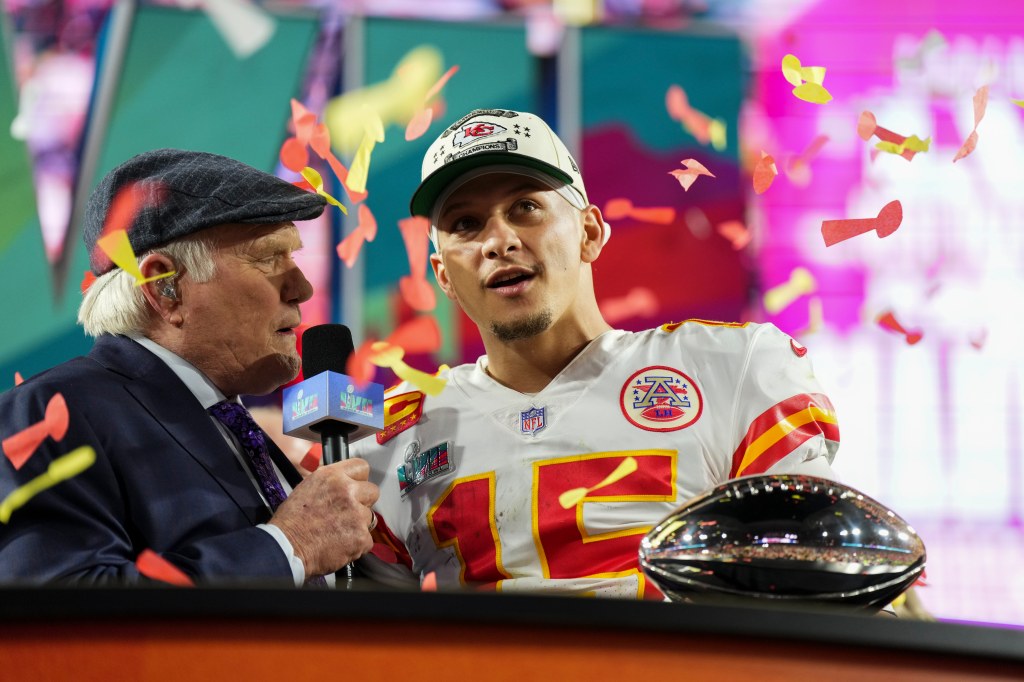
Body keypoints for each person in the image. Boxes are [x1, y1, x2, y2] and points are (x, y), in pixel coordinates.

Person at [352, 108, 840, 598]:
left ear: (589, 233)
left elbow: (811, 586)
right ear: (443, 276)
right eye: (465, 223)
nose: (499, 241)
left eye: (525, 207)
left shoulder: (731, 370)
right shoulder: (390, 435)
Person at [0, 149, 378, 585]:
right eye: (269, 258)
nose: (303, 288)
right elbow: (64, 619)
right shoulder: (52, 413)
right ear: (164, 287)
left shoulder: (234, 428)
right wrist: (291, 544)